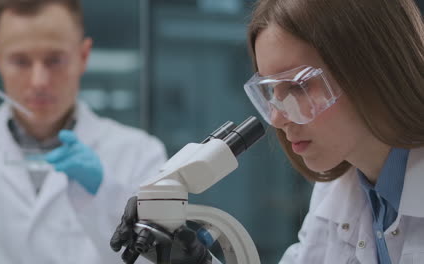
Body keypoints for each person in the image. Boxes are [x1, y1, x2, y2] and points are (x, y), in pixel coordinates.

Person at [111, 0, 424, 263]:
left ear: (373, 70)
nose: (276, 117)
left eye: (298, 86)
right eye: (271, 91)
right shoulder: (340, 194)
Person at [0, 0, 166, 263]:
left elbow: (160, 258)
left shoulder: (140, 154)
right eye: (20, 61)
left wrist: (104, 195)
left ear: (83, 56)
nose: (39, 81)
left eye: (54, 60)